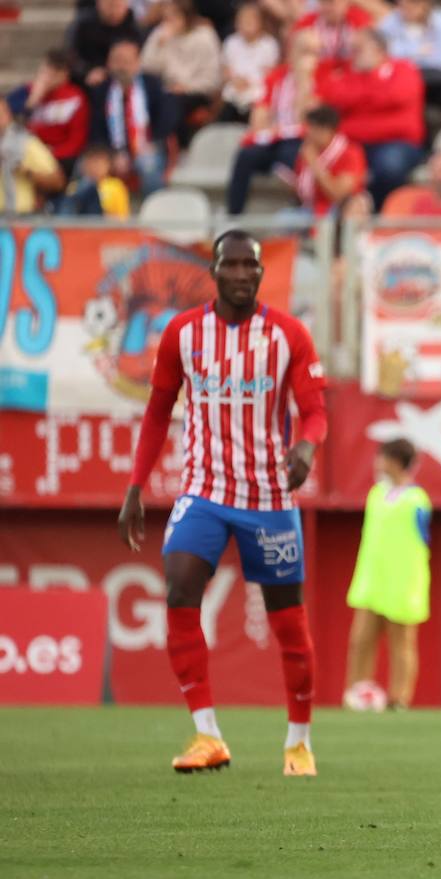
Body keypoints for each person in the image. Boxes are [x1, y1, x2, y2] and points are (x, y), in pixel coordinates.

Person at [117, 229, 328, 777]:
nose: (241, 274)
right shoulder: (183, 334)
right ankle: (207, 735)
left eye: (250, 266)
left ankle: (299, 743)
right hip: (204, 491)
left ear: (261, 273)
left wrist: (306, 445)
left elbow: (315, 410)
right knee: (180, 586)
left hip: (268, 496)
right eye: (230, 265)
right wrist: (137, 485)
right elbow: (158, 411)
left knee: (288, 622)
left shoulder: (288, 335)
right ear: (212, 271)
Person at [344, 438, 432, 712]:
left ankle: (399, 699)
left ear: (395, 461)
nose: (378, 464)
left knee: (401, 644)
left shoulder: (417, 500)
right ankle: (357, 694)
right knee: (360, 641)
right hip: (373, 581)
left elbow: (422, 540)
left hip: (402, 583)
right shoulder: (376, 494)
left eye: (383, 458)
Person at [316, 27, 425, 206]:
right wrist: (375, 93)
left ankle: (379, 215)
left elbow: (398, 95)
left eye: (360, 49)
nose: (354, 55)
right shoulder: (350, 71)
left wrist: (363, 89)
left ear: (379, 50)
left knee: (390, 165)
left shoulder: (403, 68)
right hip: (354, 143)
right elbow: (334, 97)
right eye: (353, 50)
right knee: (323, 158)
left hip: (396, 143)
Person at [227, 29, 320, 215]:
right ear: (291, 51)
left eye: (313, 52)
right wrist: (267, 128)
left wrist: (303, 82)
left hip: (302, 138)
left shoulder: (322, 78)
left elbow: (308, 118)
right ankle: (233, 214)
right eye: (304, 50)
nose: (307, 57)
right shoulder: (276, 77)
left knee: (291, 154)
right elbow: (259, 116)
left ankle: (301, 208)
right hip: (275, 135)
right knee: (246, 155)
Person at [89, 38, 173, 195]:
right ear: (108, 63)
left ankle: (153, 215)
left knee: (149, 166)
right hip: (111, 150)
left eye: (126, 61)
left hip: (147, 147)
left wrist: (152, 144)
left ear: (137, 63)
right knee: (86, 171)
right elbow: (96, 129)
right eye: (116, 61)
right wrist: (112, 154)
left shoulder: (152, 85)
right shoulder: (101, 91)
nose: (121, 67)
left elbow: (166, 119)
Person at [140, 0, 223, 146]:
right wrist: (160, 44)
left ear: (187, 16)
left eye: (174, 17)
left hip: (197, 91)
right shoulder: (160, 33)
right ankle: (144, 143)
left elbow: (212, 78)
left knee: (172, 103)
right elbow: (146, 69)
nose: (169, 22)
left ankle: (162, 144)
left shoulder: (205, 37)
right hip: (165, 90)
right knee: (147, 98)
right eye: (166, 18)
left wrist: (186, 87)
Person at [378, 0, 441, 121]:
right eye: (402, 5)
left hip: (437, 80)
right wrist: (418, 52)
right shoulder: (391, 21)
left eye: (412, 4)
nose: (405, 9)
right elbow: (383, 53)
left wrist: (409, 57)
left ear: (424, 5)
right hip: (404, 80)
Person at [8, 50, 90, 178]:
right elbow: (7, 119)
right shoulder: (27, 91)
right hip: (27, 153)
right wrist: (31, 103)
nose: (48, 77)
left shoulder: (75, 98)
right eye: (45, 71)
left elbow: (76, 141)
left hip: (59, 158)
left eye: (54, 72)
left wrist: (50, 154)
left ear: (65, 74)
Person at [293, 104, 366, 215]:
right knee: (282, 219)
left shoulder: (350, 153)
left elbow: (338, 194)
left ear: (326, 130)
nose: (308, 134)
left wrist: (314, 163)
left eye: (313, 129)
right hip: (310, 208)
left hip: (339, 211)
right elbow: (302, 191)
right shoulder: (308, 150)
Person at [0, 99, 66, 214]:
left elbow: (57, 182)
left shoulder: (25, 142)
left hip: (19, 220)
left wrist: (26, 172)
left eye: (2, 112)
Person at [220, 3, 281, 122]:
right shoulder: (231, 42)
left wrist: (251, 82)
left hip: (257, 91)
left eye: (250, 20)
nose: (246, 24)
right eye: (242, 21)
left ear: (260, 22)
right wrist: (236, 80)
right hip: (234, 89)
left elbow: (270, 73)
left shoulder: (269, 44)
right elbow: (226, 70)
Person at [67, 0, 144, 85]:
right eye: (110, 5)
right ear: (99, 4)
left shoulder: (134, 29)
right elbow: (72, 56)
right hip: (89, 76)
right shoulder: (83, 26)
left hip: (123, 76)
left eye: (118, 6)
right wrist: (87, 71)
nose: (113, 10)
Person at [57, 142, 132, 217]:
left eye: (98, 163)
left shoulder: (116, 186)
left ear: (109, 164)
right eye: (91, 162)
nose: (95, 167)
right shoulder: (75, 186)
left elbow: (123, 217)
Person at [292, 0, 375, 63]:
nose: (327, 8)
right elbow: (293, 58)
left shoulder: (360, 21)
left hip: (350, 76)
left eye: (331, 2)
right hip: (318, 75)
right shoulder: (306, 23)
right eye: (323, 2)